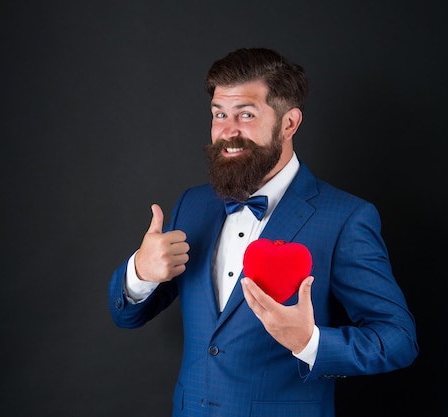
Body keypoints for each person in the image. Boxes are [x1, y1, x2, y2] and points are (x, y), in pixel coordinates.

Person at [108, 47, 418, 417]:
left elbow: (398, 340)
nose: (228, 130)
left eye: (246, 114)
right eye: (220, 114)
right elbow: (127, 316)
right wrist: (139, 273)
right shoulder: (192, 205)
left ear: (289, 123)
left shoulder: (346, 217)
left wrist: (310, 343)